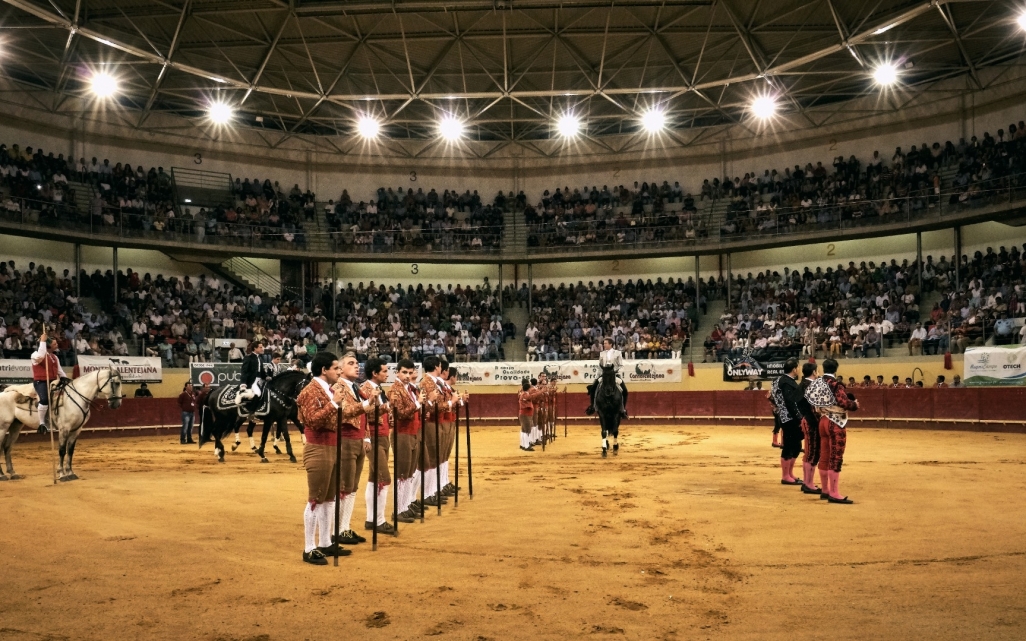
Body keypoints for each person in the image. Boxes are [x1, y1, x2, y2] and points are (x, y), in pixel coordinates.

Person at [295, 350, 350, 566]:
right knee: (316, 498)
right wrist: (334, 404)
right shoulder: (311, 391)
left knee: (329, 498)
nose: (339, 371)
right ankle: (309, 548)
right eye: (336, 368)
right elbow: (312, 421)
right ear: (323, 370)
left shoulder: (328, 389)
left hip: (332, 447)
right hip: (318, 448)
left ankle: (325, 541)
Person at [332, 351, 380, 543]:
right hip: (345, 441)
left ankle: (344, 527)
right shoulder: (338, 387)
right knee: (344, 486)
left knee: (352, 487)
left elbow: (364, 415)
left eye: (357, 363)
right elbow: (344, 412)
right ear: (341, 369)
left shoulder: (355, 388)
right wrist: (368, 402)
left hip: (358, 441)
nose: (357, 366)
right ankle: (337, 530)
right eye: (351, 363)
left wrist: (366, 437)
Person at [804, 358, 859, 504]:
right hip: (835, 422)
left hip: (822, 421)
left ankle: (825, 490)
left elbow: (810, 401)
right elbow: (843, 402)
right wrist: (854, 404)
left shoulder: (817, 383)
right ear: (836, 369)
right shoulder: (835, 384)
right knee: (835, 457)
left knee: (825, 457)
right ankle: (834, 493)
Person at [360, 357, 395, 535]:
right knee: (384, 478)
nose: (387, 374)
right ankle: (378, 520)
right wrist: (385, 409)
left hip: (383, 436)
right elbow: (364, 415)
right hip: (372, 437)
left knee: (374, 478)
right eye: (384, 371)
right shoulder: (365, 390)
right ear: (375, 373)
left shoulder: (379, 389)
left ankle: (370, 519)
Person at [387, 359, 425, 522]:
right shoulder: (395, 390)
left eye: (410, 373)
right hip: (402, 433)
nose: (408, 376)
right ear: (397, 373)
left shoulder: (409, 389)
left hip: (412, 432)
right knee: (402, 473)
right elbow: (400, 414)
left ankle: (404, 506)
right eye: (404, 372)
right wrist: (418, 403)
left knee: (409, 473)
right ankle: (398, 510)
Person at [418, 355, 451, 507]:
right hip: (430, 422)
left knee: (436, 456)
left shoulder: (432, 382)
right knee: (431, 457)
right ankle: (428, 493)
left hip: (436, 421)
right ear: (437, 367)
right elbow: (430, 406)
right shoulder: (427, 383)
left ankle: (432, 491)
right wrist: (451, 403)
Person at [770, 358, 804, 485]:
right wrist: (799, 416)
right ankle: (785, 476)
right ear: (794, 369)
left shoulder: (779, 380)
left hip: (785, 417)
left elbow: (772, 397)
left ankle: (789, 474)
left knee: (795, 445)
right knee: (790, 446)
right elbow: (790, 402)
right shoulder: (786, 382)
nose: (799, 369)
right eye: (798, 367)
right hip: (790, 418)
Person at [30, 331, 68, 434]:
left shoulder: (54, 357)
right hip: (41, 382)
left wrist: (65, 378)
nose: (57, 345)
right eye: (54, 344)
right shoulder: (35, 355)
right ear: (48, 346)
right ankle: (42, 423)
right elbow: (41, 356)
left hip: (53, 381)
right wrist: (42, 341)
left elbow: (60, 370)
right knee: (44, 399)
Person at [586, 337, 628, 418]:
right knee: (593, 388)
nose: (604, 345)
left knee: (625, 391)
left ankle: (623, 410)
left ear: (610, 344)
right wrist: (596, 378)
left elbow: (621, 365)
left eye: (605, 343)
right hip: (604, 375)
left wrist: (613, 372)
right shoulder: (602, 354)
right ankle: (593, 406)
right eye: (604, 343)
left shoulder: (618, 353)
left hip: (615, 375)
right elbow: (600, 367)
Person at [797, 362, 822, 494]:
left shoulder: (802, 384)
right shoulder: (811, 385)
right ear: (814, 372)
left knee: (809, 452)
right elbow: (814, 408)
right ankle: (808, 484)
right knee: (813, 452)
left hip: (806, 420)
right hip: (812, 421)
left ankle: (807, 482)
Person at [237, 341, 266, 407]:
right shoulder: (248, 357)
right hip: (252, 380)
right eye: (260, 347)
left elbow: (262, 372)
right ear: (255, 348)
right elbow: (244, 371)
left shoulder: (260, 358)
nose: (262, 349)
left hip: (260, 380)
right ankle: (252, 411)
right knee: (258, 393)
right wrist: (243, 383)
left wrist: (267, 377)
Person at [517, 378, 541, 451]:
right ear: (528, 388)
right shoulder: (524, 394)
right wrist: (541, 392)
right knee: (527, 430)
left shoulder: (525, 393)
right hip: (525, 414)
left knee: (525, 430)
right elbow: (531, 397)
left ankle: (523, 445)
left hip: (526, 414)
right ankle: (526, 446)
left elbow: (531, 396)